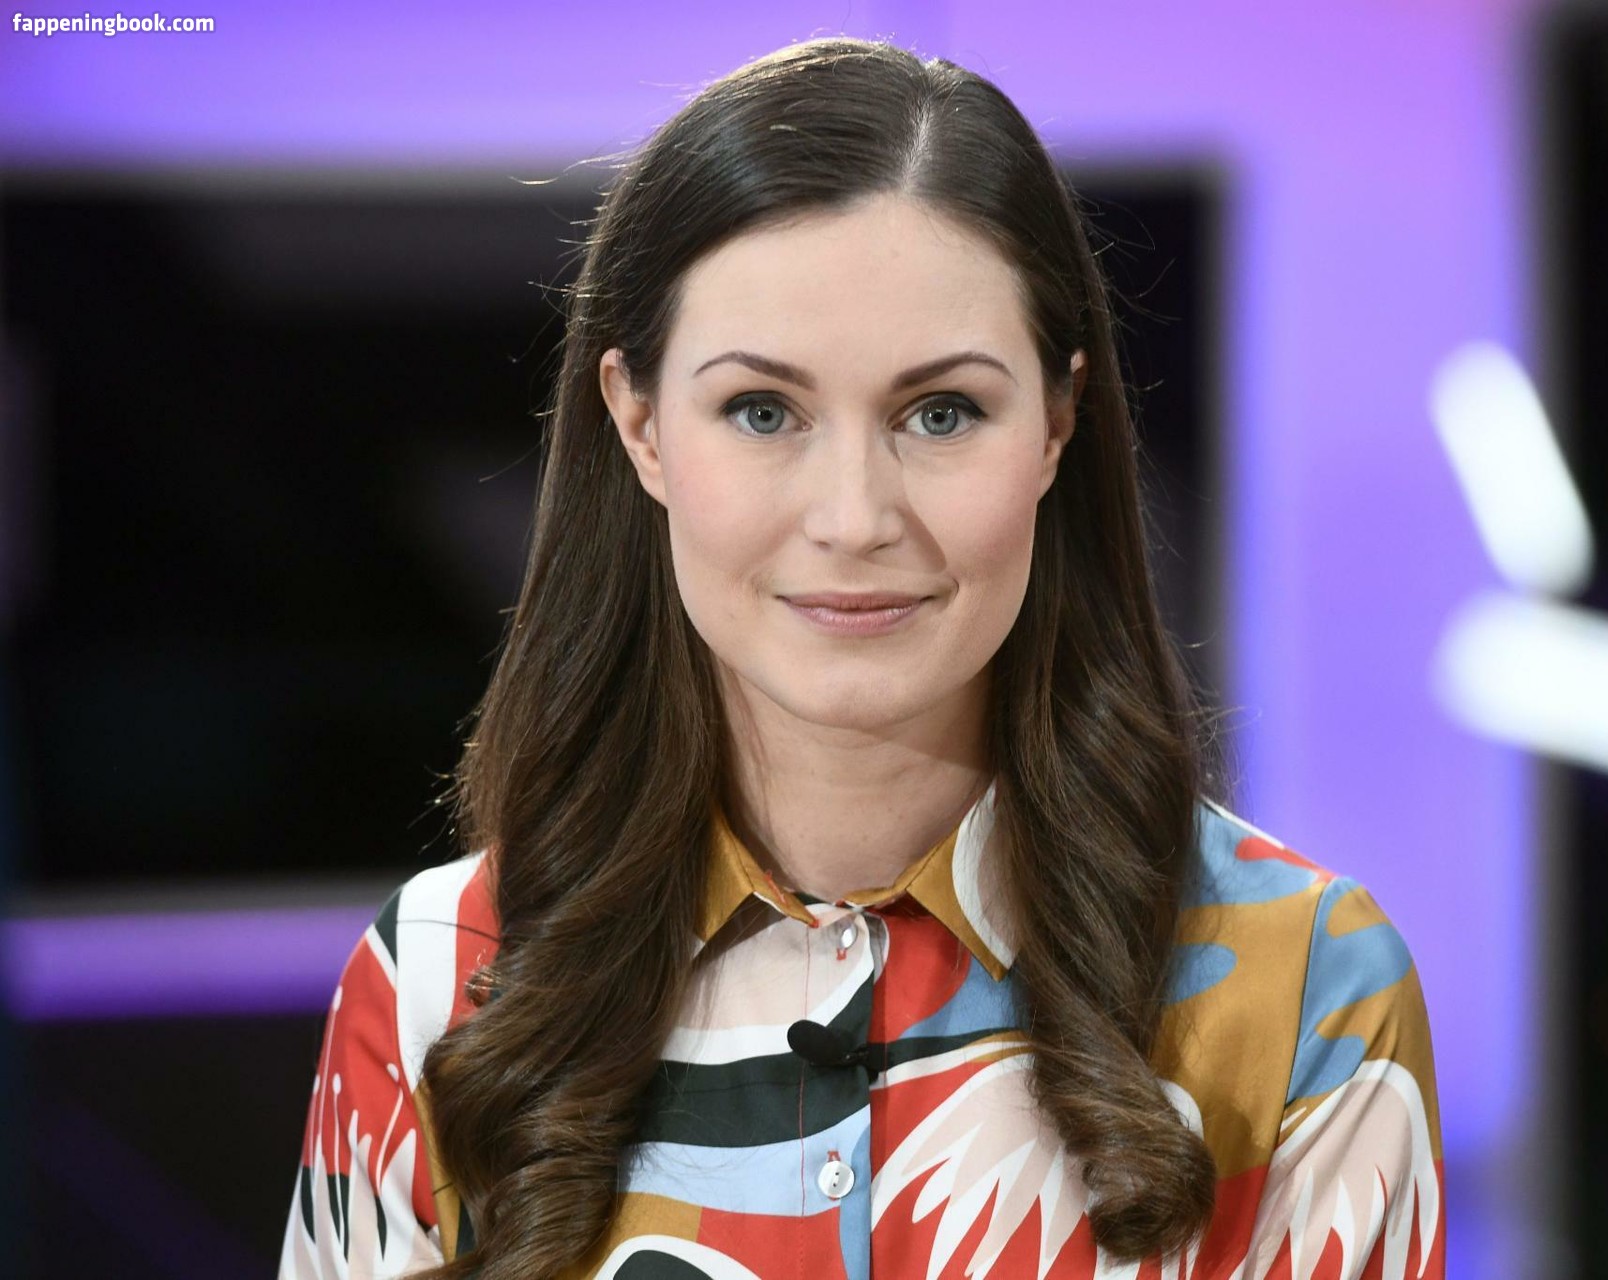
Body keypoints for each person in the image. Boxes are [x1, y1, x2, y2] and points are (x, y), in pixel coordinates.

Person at [278, 35, 1444, 1280]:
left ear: (1057, 422)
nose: (854, 516)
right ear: (640, 424)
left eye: (941, 413)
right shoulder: (441, 980)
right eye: (762, 411)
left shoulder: (1305, 987)